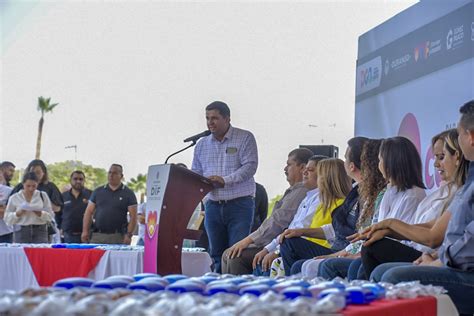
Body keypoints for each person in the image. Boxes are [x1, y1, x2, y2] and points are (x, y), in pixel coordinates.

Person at [372, 100, 474, 315]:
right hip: (449, 261)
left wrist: (438, 260)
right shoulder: (469, 183)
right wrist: (436, 258)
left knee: (393, 277)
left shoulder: (456, 188)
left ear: (470, 137)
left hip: (462, 269)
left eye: (441, 157)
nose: (436, 164)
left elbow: (458, 243)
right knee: (382, 270)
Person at [360, 129, 468, 277]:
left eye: (441, 157)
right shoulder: (451, 191)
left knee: (382, 267)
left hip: (450, 264)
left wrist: (390, 224)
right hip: (438, 257)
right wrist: (388, 229)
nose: (435, 164)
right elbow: (433, 227)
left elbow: (434, 237)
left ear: (457, 156)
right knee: (368, 262)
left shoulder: (460, 192)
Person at [320, 136, 426, 280]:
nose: (378, 165)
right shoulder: (389, 191)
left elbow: (399, 237)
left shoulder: (412, 195)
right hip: (377, 249)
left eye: (381, 160)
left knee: (347, 264)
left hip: (397, 251)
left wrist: (357, 251)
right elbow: (379, 229)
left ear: (391, 162)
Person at [278, 137, 369, 274]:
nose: (305, 174)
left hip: (345, 249)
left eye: (316, 173)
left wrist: (337, 254)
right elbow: (335, 230)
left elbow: (358, 234)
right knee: (291, 249)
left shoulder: (362, 195)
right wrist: (300, 232)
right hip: (339, 248)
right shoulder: (354, 193)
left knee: (296, 253)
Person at [221, 148, 315, 275]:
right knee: (228, 253)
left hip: (283, 246)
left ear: (302, 167)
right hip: (275, 244)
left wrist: (248, 241)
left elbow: (278, 221)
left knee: (234, 257)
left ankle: (240, 293)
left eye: (289, 164)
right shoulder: (295, 191)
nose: (285, 168)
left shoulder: (301, 191)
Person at [192, 101, 258, 272]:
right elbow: (196, 172)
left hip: (240, 205)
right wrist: (203, 182)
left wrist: (224, 180)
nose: (209, 122)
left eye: (214, 118)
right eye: (207, 118)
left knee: (236, 253)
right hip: (212, 205)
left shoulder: (244, 137)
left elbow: (250, 167)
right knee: (215, 254)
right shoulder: (201, 144)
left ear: (227, 118)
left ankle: (236, 292)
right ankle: (218, 291)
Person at [279, 158, 352, 275]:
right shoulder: (323, 204)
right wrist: (301, 232)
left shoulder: (342, 203)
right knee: (290, 251)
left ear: (328, 178)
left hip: (336, 248)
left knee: (289, 244)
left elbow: (336, 233)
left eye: (320, 175)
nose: (318, 180)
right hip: (326, 247)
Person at [81, 164, 138, 244]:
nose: (111, 175)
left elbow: (133, 217)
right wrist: (85, 231)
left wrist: (128, 235)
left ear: (121, 176)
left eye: (115, 173)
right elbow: (88, 212)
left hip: (117, 236)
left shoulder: (128, 193)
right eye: (110, 172)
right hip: (97, 236)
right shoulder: (98, 192)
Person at [11, 160, 63, 231]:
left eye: (38, 172)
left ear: (43, 173)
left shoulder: (50, 187)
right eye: (32, 172)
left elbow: (58, 208)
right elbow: (10, 206)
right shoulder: (20, 187)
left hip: (44, 227)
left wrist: (42, 204)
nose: (35, 175)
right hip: (22, 227)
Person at [4, 172, 55, 243]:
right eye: (28, 186)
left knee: (40, 253)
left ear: (37, 184)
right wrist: (17, 214)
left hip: (40, 230)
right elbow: (7, 219)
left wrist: (40, 213)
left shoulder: (43, 195)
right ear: (23, 184)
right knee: (21, 253)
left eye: (34, 186)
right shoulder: (14, 197)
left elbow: (51, 216)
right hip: (21, 230)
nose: (31, 189)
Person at [61, 171, 92, 243]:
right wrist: (61, 227)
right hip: (68, 235)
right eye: (75, 179)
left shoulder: (91, 194)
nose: (78, 181)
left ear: (84, 181)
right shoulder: (63, 196)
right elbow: (59, 213)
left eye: (81, 179)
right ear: (70, 180)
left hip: (86, 235)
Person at [0, 162, 16, 242]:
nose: (12, 174)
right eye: (10, 170)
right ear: (2, 170)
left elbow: (10, 212)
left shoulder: (12, 190)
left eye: (13, 171)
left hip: (6, 232)